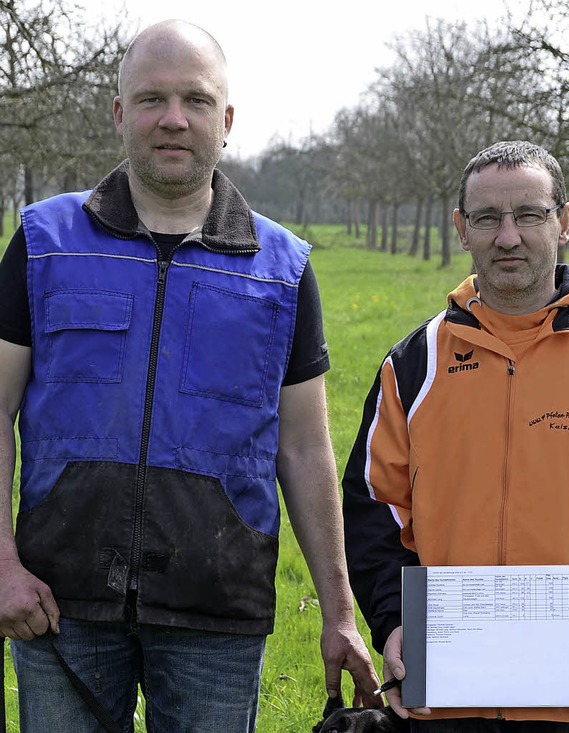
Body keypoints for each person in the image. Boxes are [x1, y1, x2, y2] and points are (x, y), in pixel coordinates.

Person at [0, 19, 380, 733]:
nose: (174, 119)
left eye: (196, 101)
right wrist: (1, 564)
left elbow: (304, 448)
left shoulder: (285, 269)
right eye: (151, 99)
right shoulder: (44, 242)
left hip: (217, 611)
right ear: (119, 115)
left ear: (226, 120)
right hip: (60, 603)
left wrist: (338, 613)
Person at [342, 140, 569, 732]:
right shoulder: (415, 362)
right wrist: (396, 621)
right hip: (444, 693)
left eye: (530, 214)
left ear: (564, 223)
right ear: (461, 228)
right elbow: (373, 505)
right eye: (487, 218)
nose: (508, 237)